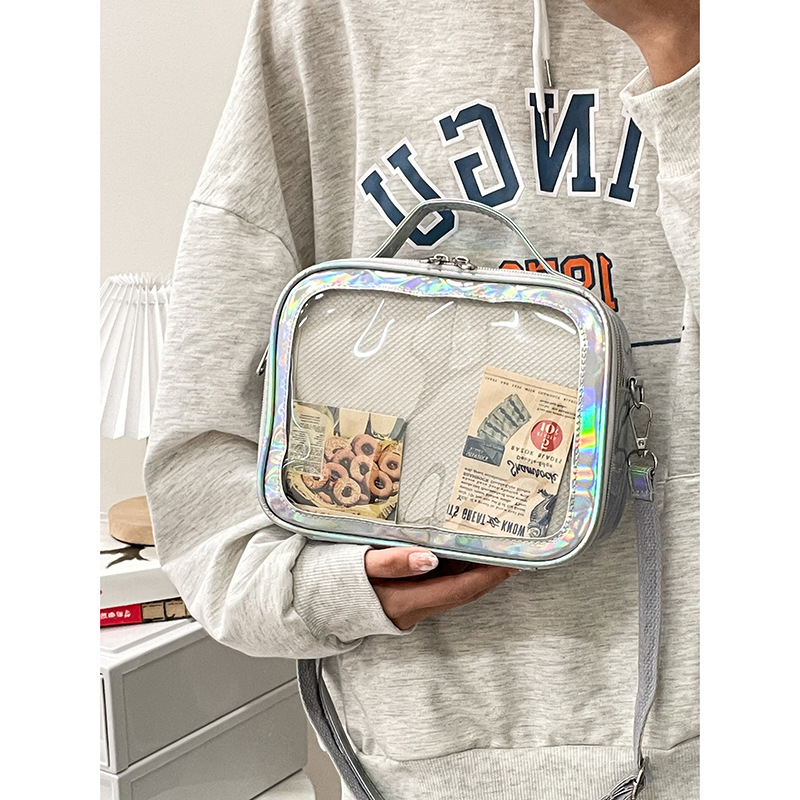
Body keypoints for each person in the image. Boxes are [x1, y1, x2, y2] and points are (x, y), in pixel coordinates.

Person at [144, 0, 699, 797]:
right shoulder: (324, 17)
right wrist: (326, 590)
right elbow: (205, 469)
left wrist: (680, 40)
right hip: (415, 766)